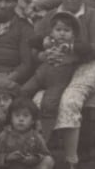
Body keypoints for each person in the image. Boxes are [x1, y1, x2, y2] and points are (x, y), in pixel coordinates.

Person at [33, 0, 95, 169]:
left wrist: (70, 53)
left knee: (69, 101)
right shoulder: (50, 16)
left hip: (84, 67)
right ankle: (40, 157)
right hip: (54, 68)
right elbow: (35, 45)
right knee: (38, 101)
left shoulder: (93, 15)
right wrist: (44, 55)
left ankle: (70, 162)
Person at [20, 12, 81, 141]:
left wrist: (71, 47)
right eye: (58, 30)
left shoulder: (75, 47)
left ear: (73, 34)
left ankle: (44, 139)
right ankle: (22, 131)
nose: (62, 33)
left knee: (48, 104)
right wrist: (43, 43)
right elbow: (30, 42)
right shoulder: (49, 42)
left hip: (57, 81)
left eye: (67, 30)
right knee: (23, 92)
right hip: (40, 75)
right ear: (52, 31)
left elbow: (87, 50)